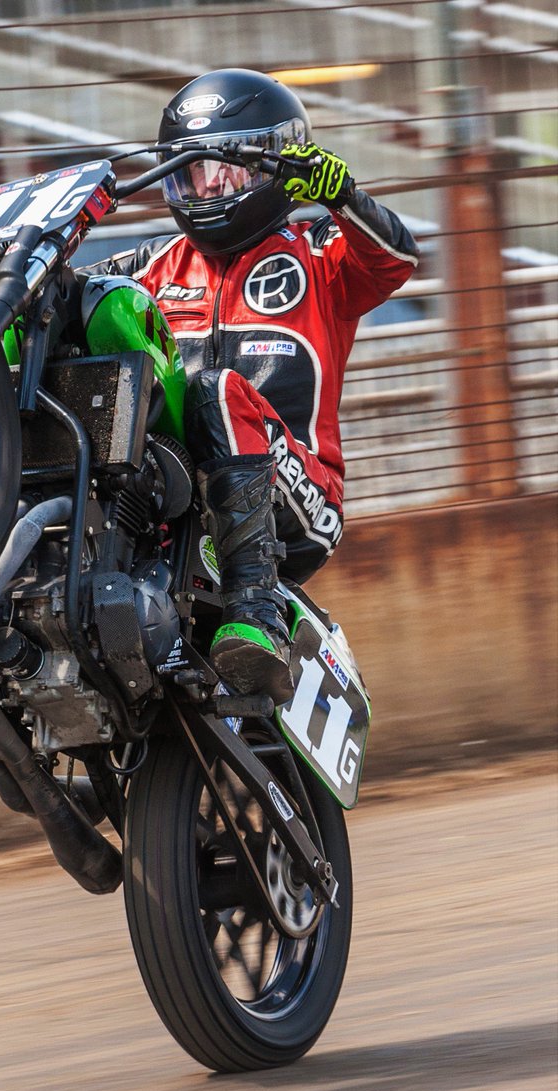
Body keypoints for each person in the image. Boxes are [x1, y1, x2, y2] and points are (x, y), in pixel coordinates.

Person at [92, 68, 419, 703]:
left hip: (301, 501)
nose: (209, 187)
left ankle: (257, 609)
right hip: (173, 502)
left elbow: (397, 260)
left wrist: (342, 194)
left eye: (227, 170)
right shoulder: (154, 264)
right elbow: (72, 293)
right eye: (192, 173)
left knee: (216, 388)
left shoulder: (320, 253)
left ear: (273, 166)